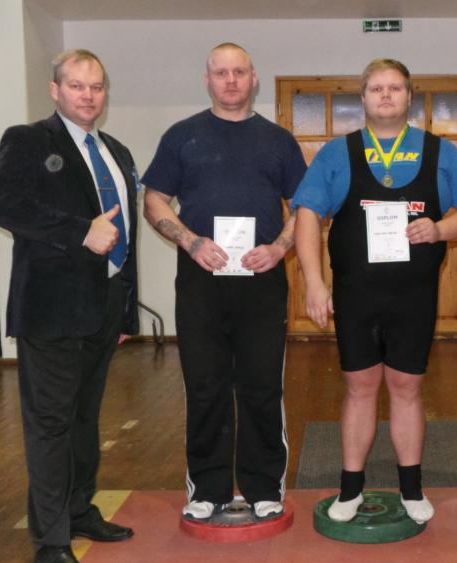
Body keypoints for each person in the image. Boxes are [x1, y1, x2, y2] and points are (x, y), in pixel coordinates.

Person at [293, 58, 457, 524]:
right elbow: (307, 215)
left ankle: (412, 489)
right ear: (362, 97)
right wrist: (314, 283)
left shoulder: (438, 152)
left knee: (406, 388)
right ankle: (350, 490)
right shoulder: (337, 153)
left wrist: (440, 229)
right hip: (356, 295)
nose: (385, 95)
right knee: (360, 388)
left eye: (395, 88)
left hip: (413, 296)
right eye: (377, 88)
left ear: (409, 97)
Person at [141, 42, 307, 522]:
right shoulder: (182, 136)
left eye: (239, 72)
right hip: (201, 283)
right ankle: (208, 489)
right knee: (205, 385)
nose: (231, 81)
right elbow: (154, 201)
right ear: (207, 80)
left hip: (262, 282)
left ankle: (263, 487)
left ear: (254, 78)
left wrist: (278, 248)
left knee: (261, 387)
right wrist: (191, 241)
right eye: (221, 73)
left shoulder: (278, 141)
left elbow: (306, 207)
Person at [0, 49, 138, 563]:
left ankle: (79, 511)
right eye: (76, 86)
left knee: (84, 418)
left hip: (104, 305)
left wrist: (126, 309)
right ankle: (51, 540)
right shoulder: (28, 140)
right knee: (51, 424)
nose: (88, 96)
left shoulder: (116, 151)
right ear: (55, 90)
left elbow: (125, 232)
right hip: (50, 309)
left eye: (96, 87)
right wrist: (80, 232)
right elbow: (5, 205)